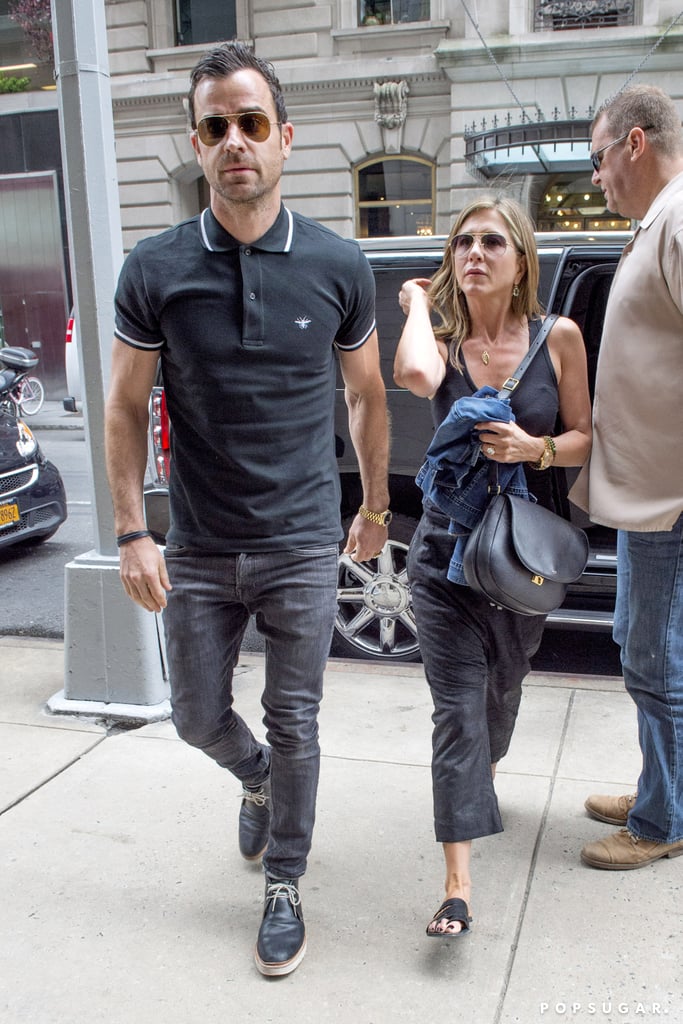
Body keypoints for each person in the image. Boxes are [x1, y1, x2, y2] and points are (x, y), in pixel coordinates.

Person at [104, 41, 390, 976]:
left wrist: (374, 504)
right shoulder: (155, 268)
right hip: (197, 544)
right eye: (217, 127)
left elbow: (366, 397)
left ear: (283, 139)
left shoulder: (338, 264)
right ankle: (254, 777)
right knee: (192, 715)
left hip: (303, 539)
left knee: (297, 714)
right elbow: (122, 405)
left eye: (251, 124)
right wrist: (131, 531)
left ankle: (286, 882)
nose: (236, 142)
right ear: (197, 144)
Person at [394, 195, 592, 936]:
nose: (474, 252)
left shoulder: (558, 337)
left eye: (491, 243)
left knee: (499, 703)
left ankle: (486, 771)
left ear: (519, 263)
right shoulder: (440, 342)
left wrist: (530, 448)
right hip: (444, 554)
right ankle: (457, 887)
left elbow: (584, 435)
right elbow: (413, 374)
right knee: (456, 713)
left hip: (519, 561)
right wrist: (416, 297)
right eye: (462, 243)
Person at [569, 85, 683, 870]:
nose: (596, 177)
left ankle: (662, 819)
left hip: (671, 501)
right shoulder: (658, 223)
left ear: (634, 144)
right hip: (647, 497)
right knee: (639, 646)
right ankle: (659, 787)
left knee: (655, 659)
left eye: (598, 157)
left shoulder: (678, 219)